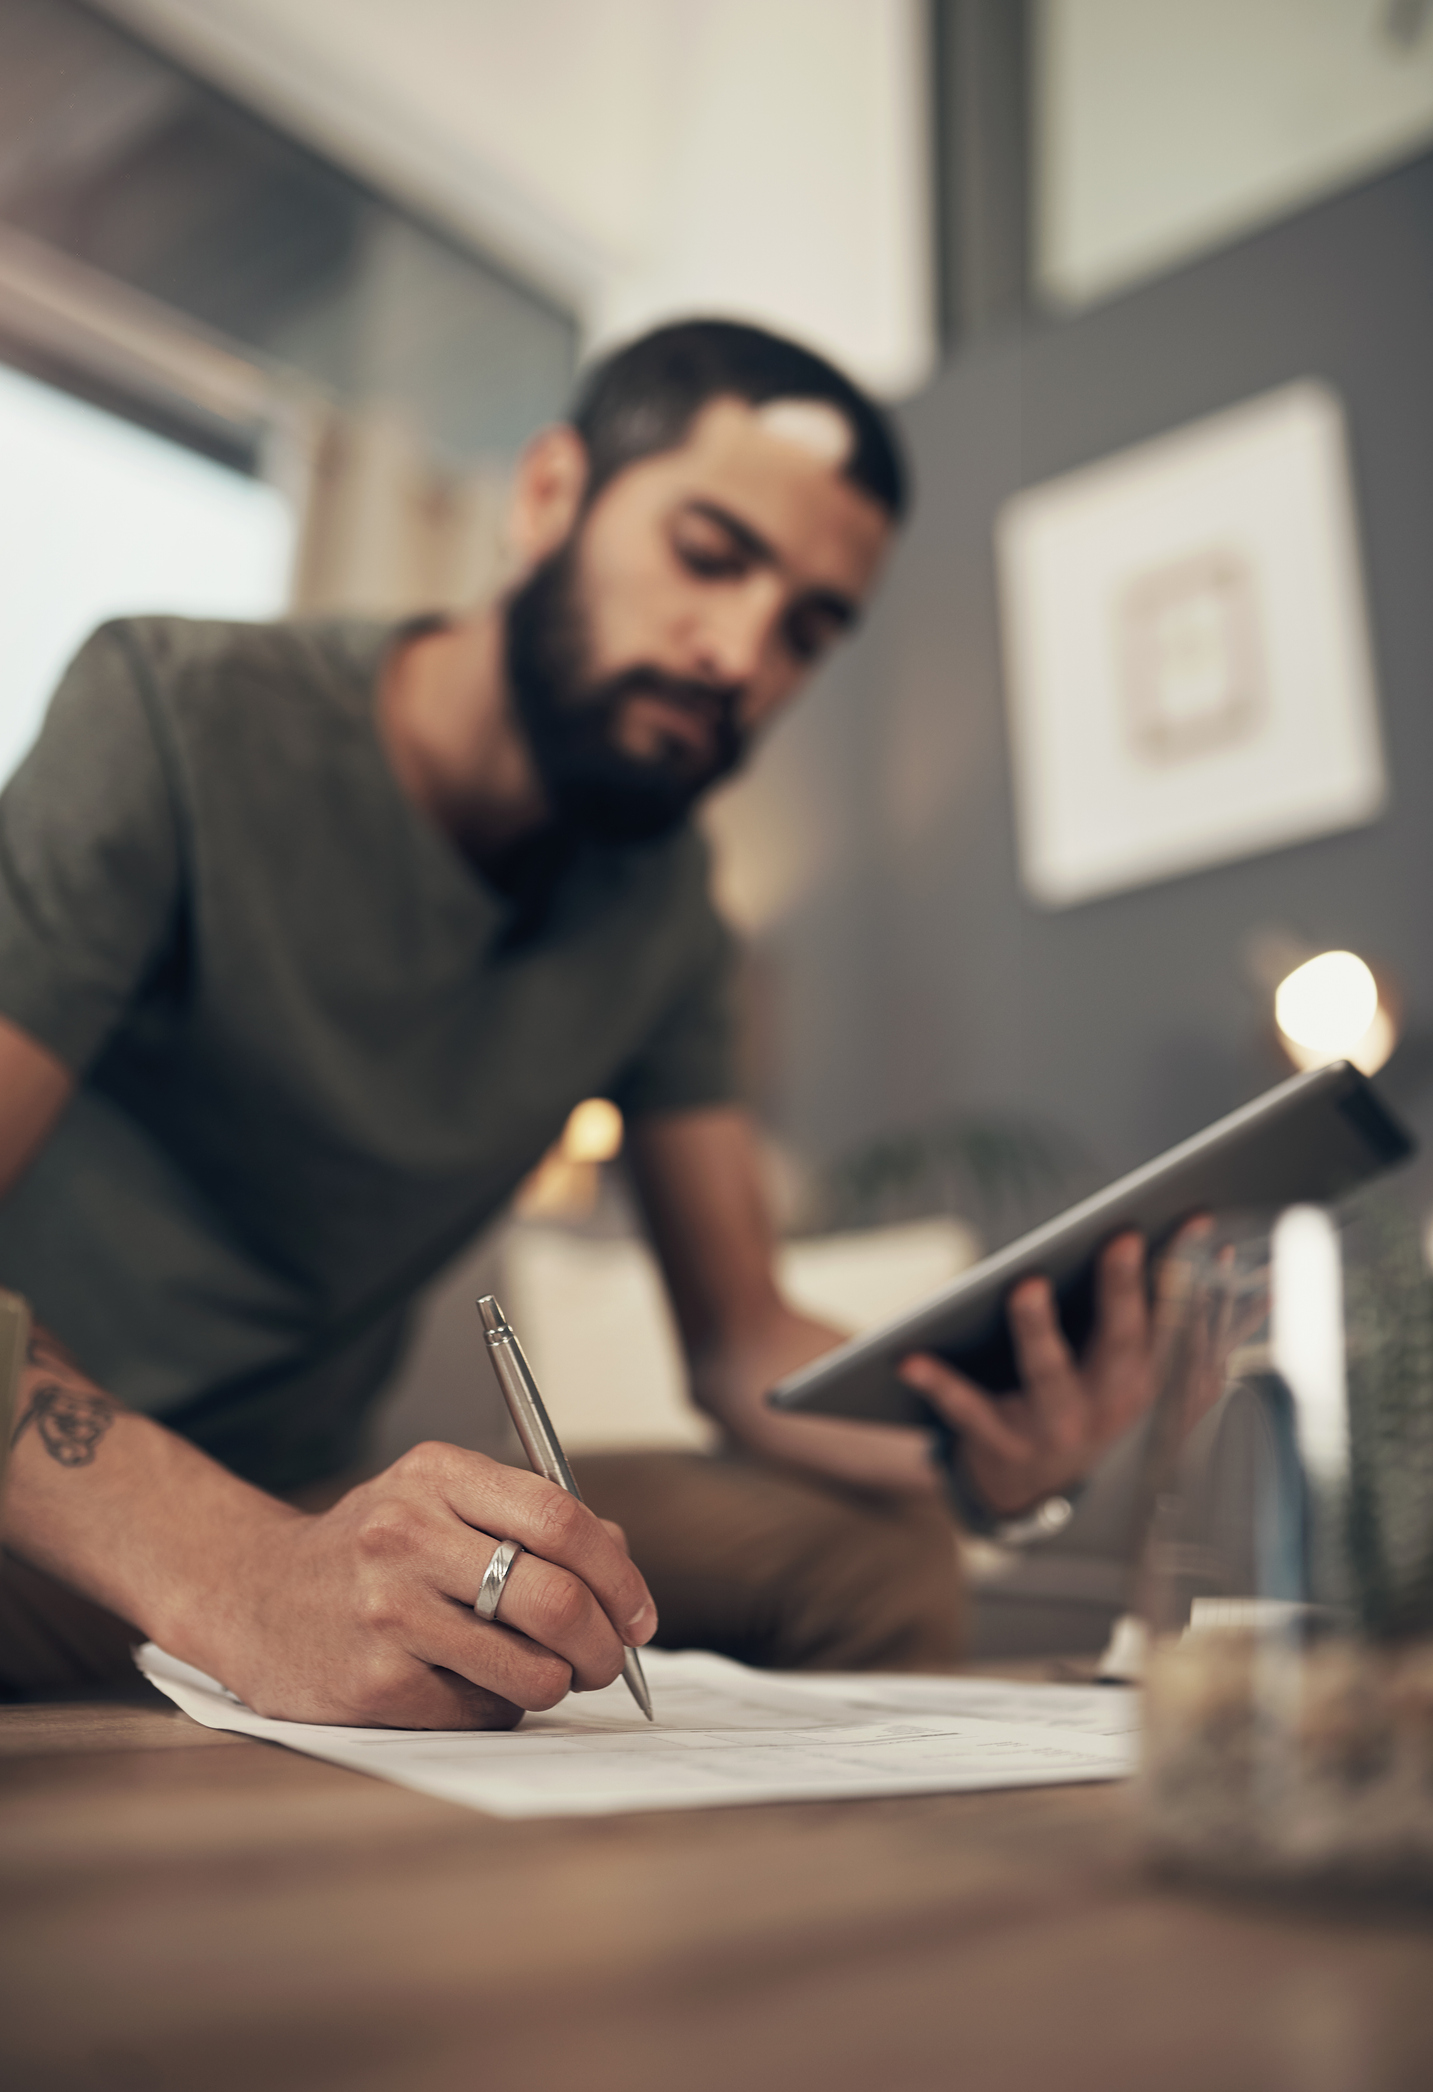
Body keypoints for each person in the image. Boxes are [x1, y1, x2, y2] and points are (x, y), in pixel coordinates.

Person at [0, 321, 1166, 1725]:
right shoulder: (172, 716)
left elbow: (739, 1349)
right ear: (548, 493)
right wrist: (245, 1576)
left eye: (807, 626)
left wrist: (977, 1445)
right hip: (62, 1516)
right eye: (710, 554)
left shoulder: (668, 915)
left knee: (871, 1559)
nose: (741, 651)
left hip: (298, 1491)